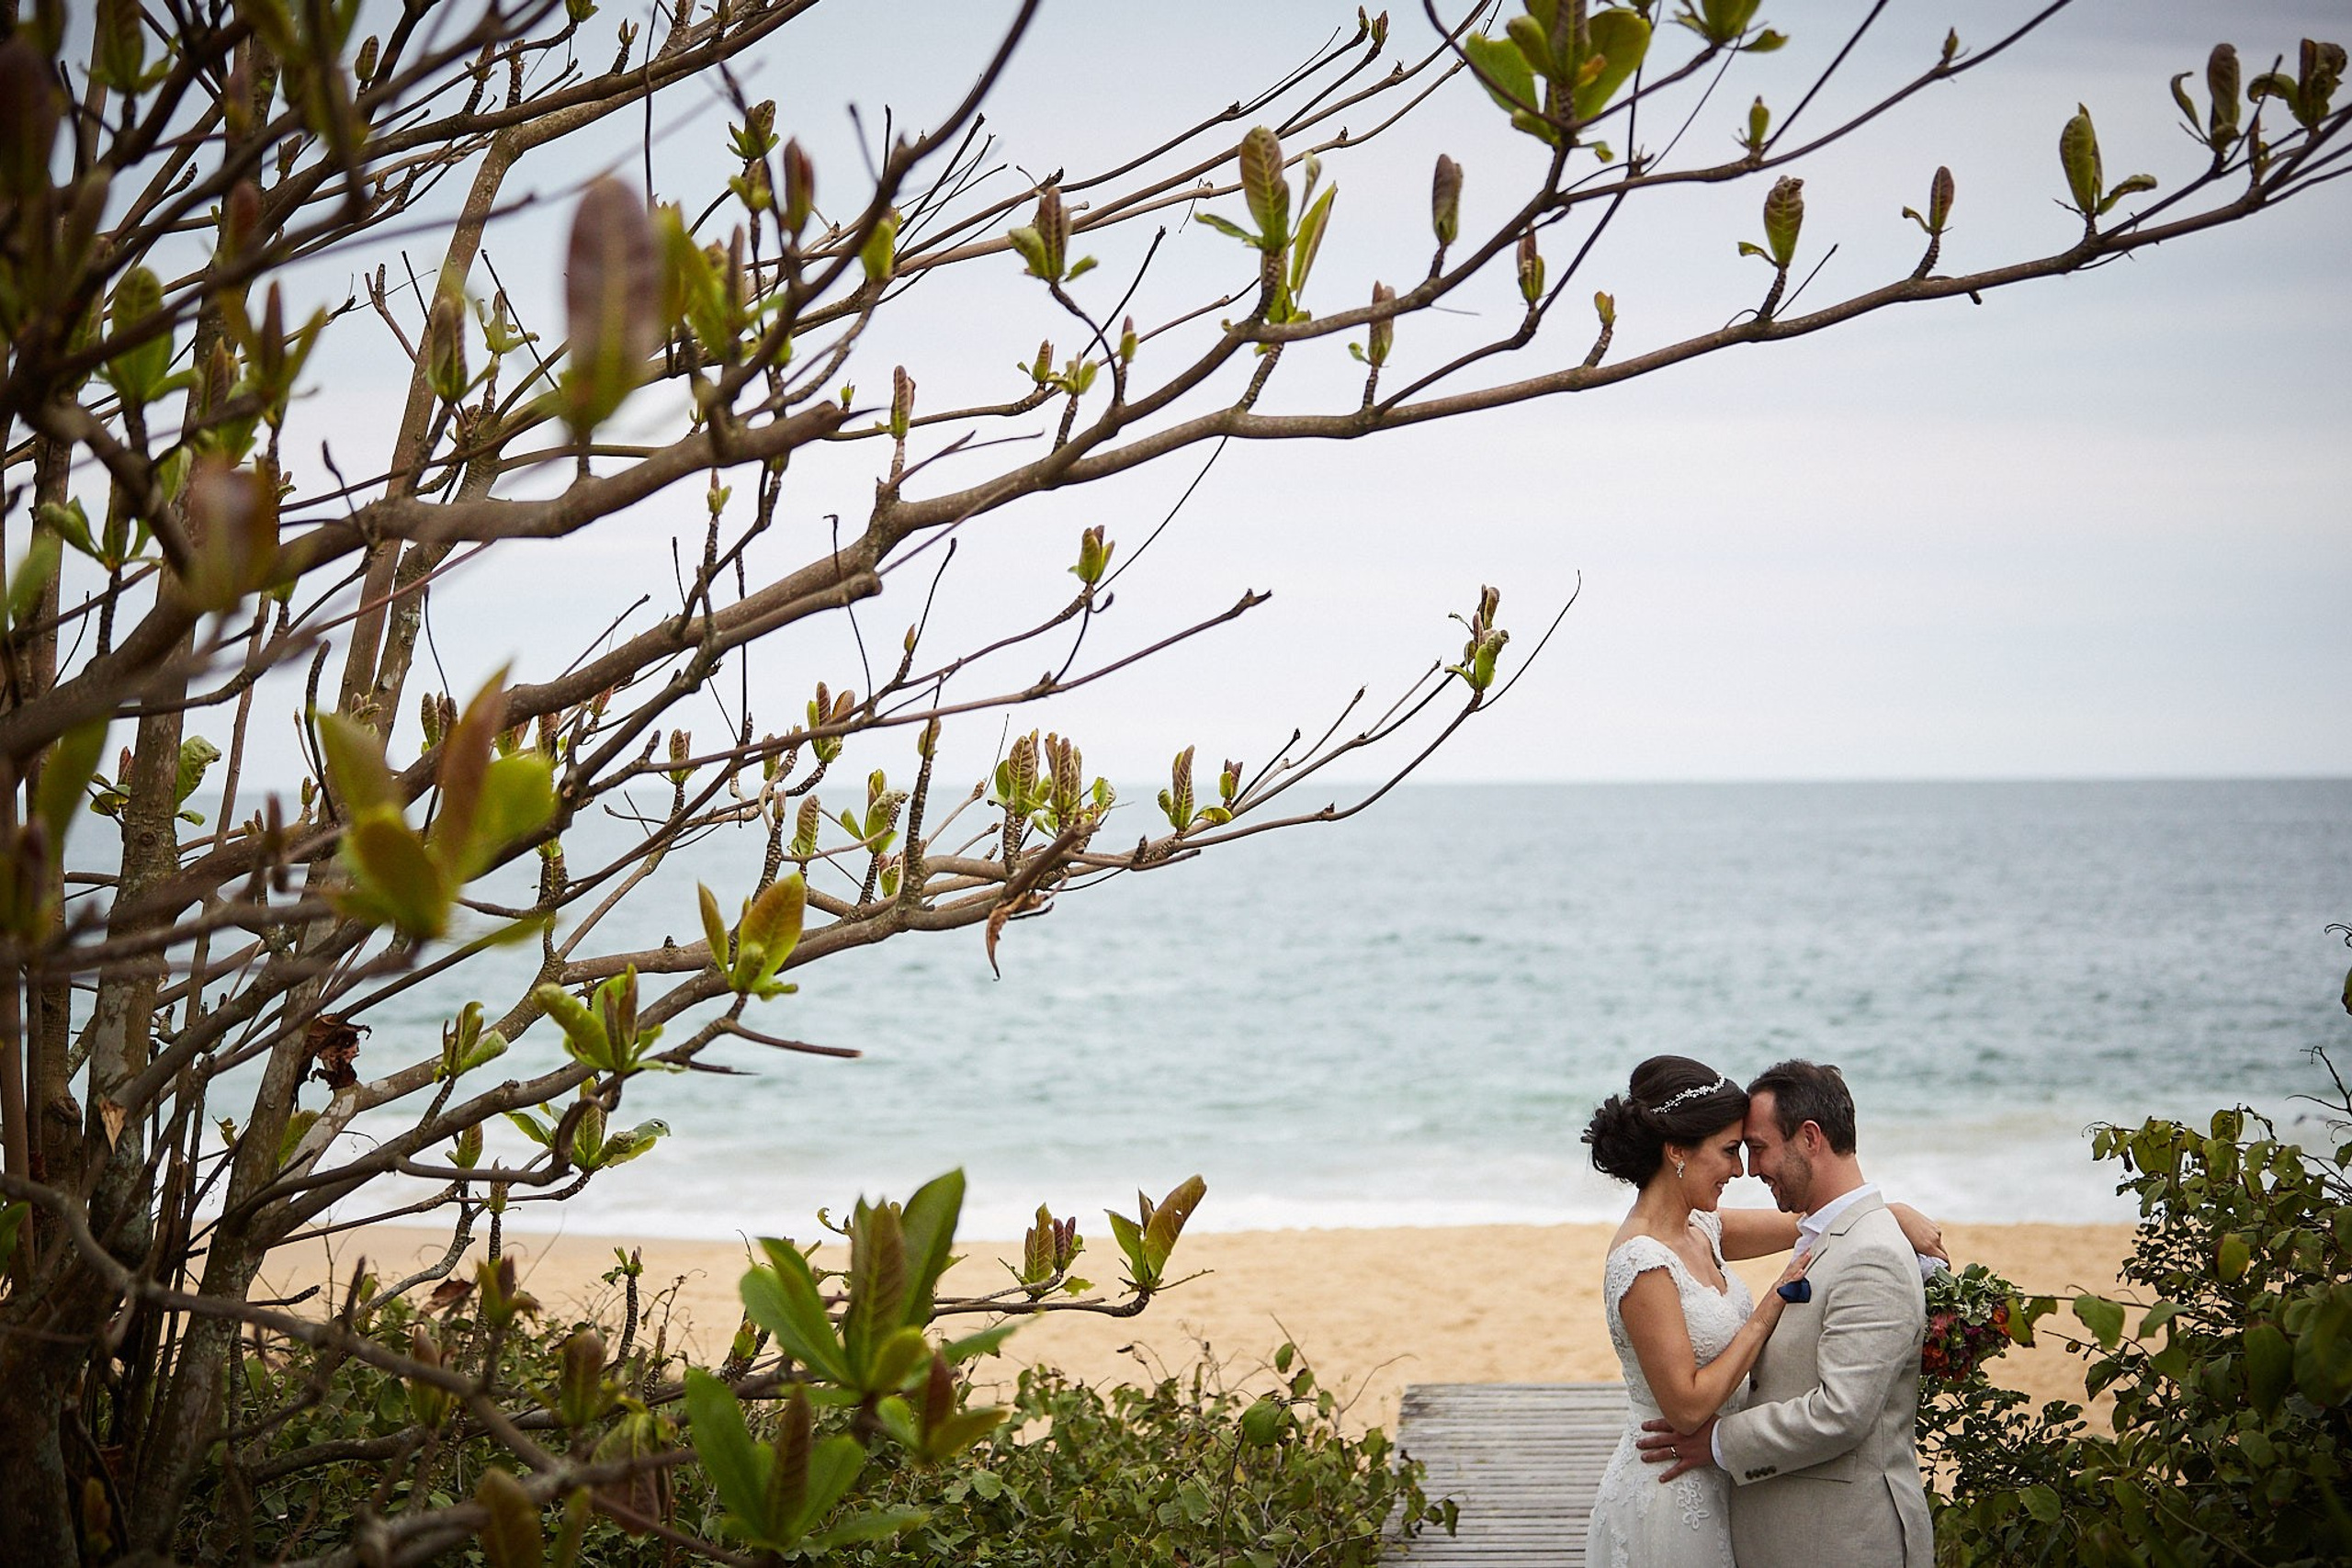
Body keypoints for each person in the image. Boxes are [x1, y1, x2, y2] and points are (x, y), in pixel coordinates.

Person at [1581, 1056, 1944, 1567]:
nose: (1740, 1169)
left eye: (1748, 1149)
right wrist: (1767, 1308)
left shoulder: (1701, 1227)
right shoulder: (1644, 1261)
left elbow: (1814, 1222)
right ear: (1677, 1152)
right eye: (1731, 1151)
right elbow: (1685, 1408)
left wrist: (1891, 1212)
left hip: (1727, 1487)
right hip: (1666, 1483)